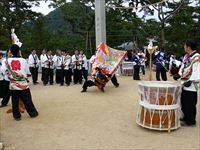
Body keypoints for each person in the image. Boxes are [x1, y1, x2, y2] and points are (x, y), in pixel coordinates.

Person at [1, 44, 38, 121]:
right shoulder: (23, 60)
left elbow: (3, 71)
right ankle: (33, 113)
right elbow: (28, 72)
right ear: (18, 51)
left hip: (13, 84)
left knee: (15, 100)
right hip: (23, 84)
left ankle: (17, 116)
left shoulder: (6, 61)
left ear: (10, 51)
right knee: (27, 99)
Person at [173, 39, 200, 126]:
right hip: (183, 83)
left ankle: (191, 121)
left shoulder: (197, 57)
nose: (184, 47)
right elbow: (183, 67)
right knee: (183, 102)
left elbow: (197, 71)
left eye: (185, 45)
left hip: (192, 84)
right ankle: (185, 117)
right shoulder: (186, 56)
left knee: (190, 103)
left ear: (188, 47)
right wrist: (178, 74)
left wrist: (191, 80)